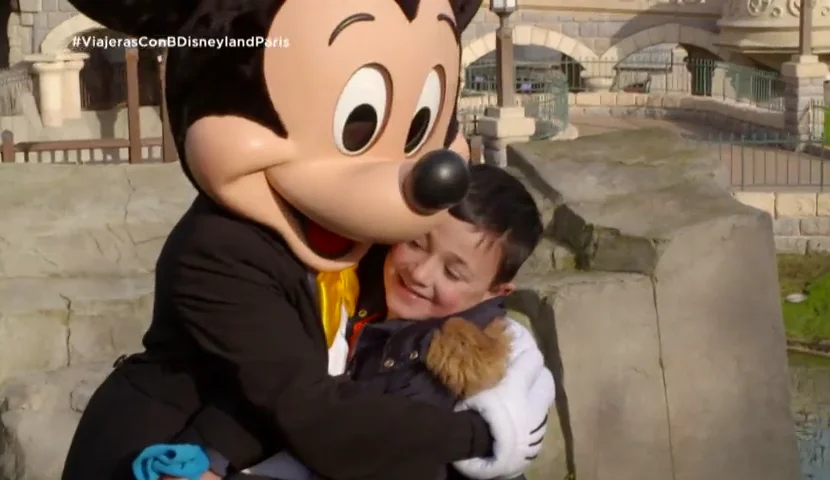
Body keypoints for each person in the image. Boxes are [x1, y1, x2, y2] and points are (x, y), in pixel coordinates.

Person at [60, 0, 555, 479]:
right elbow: (316, 417)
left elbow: (473, 309)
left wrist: (512, 384)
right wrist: (483, 435)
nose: (421, 268)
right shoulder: (219, 252)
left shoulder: (376, 237)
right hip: (164, 454)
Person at [139, 164, 548, 480]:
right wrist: (205, 454)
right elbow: (286, 398)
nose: (421, 274)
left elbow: (367, 451)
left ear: (497, 292)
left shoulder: (456, 366)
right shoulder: (360, 301)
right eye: (415, 242)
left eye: (454, 273)